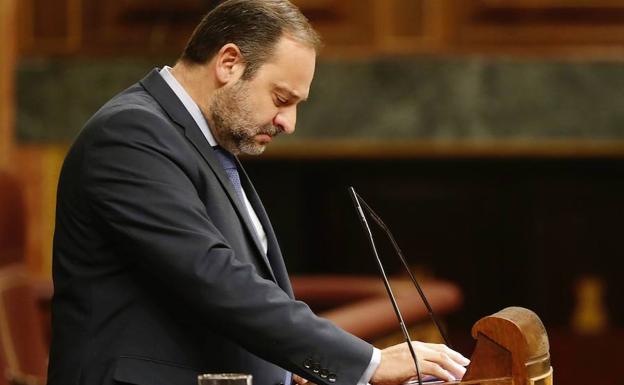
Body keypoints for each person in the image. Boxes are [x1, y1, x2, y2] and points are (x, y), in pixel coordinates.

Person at [47, 1, 470, 385]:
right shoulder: (131, 135)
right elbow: (212, 277)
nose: (289, 123)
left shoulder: (205, 144)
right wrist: (370, 363)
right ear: (229, 63)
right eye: (281, 98)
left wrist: (288, 367)